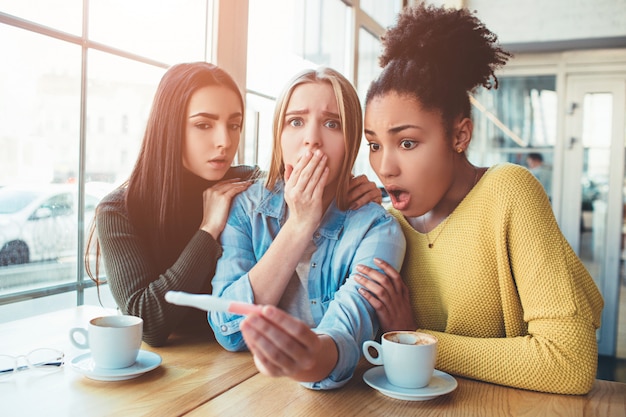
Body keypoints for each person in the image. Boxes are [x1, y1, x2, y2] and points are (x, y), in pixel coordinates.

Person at [355, 4, 603, 395]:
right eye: (373, 144)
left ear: (459, 135)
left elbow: (568, 362)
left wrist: (414, 339)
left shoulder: (509, 192)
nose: (384, 167)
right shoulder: (386, 227)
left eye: (407, 142)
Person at [86, 62, 381, 347]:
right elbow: (145, 321)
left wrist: (357, 190)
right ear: (168, 126)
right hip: (173, 371)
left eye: (234, 125)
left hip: (241, 363)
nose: (224, 141)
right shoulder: (118, 210)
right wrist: (207, 231)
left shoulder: (247, 187)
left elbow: (304, 184)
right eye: (203, 125)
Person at [208, 67, 406, 390]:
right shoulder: (246, 208)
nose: (312, 138)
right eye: (296, 121)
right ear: (279, 136)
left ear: (351, 142)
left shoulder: (377, 229)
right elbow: (227, 328)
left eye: (332, 123)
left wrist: (309, 357)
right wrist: (299, 225)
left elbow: (344, 336)